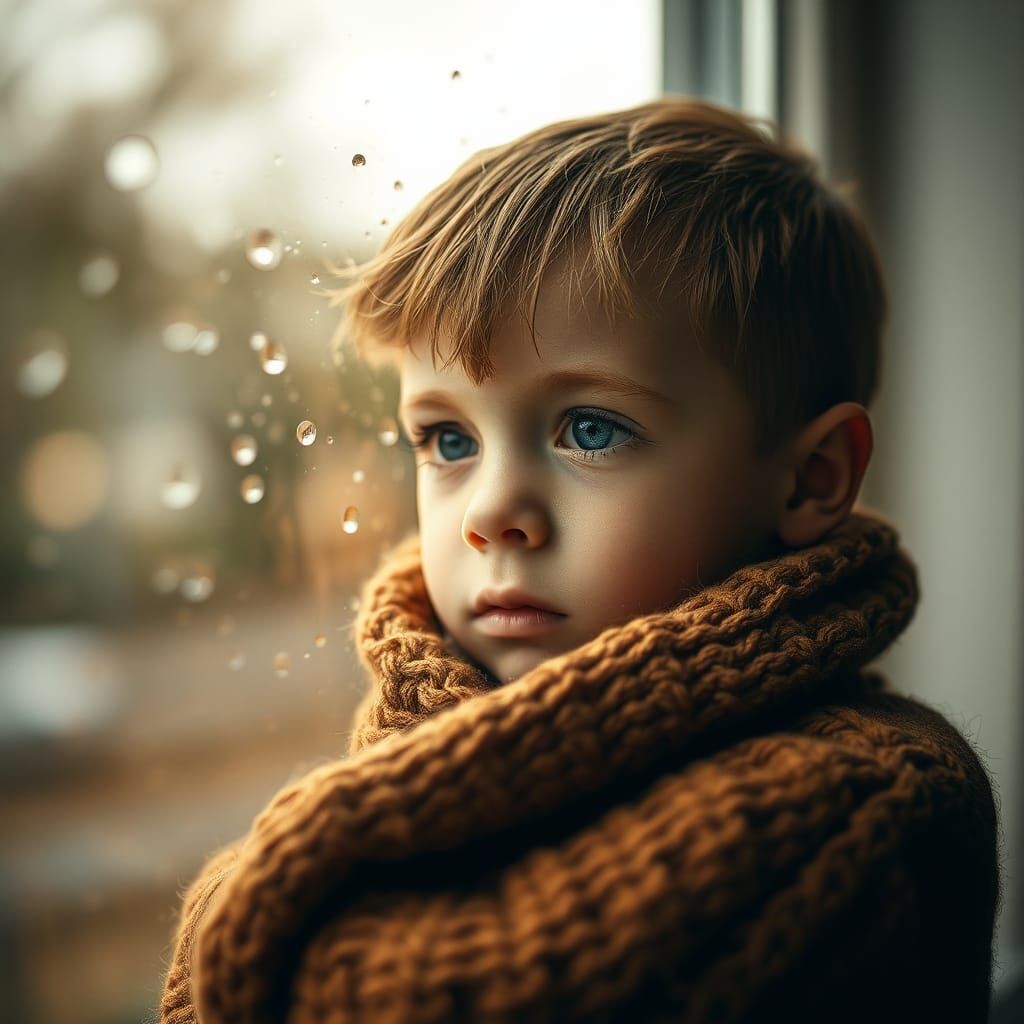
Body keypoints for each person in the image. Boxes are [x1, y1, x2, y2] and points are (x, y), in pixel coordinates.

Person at [160, 97, 1001, 1023]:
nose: (490, 513)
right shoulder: (429, 740)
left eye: (590, 429)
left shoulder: (862, 799)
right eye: (446, 441)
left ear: (808, 481)